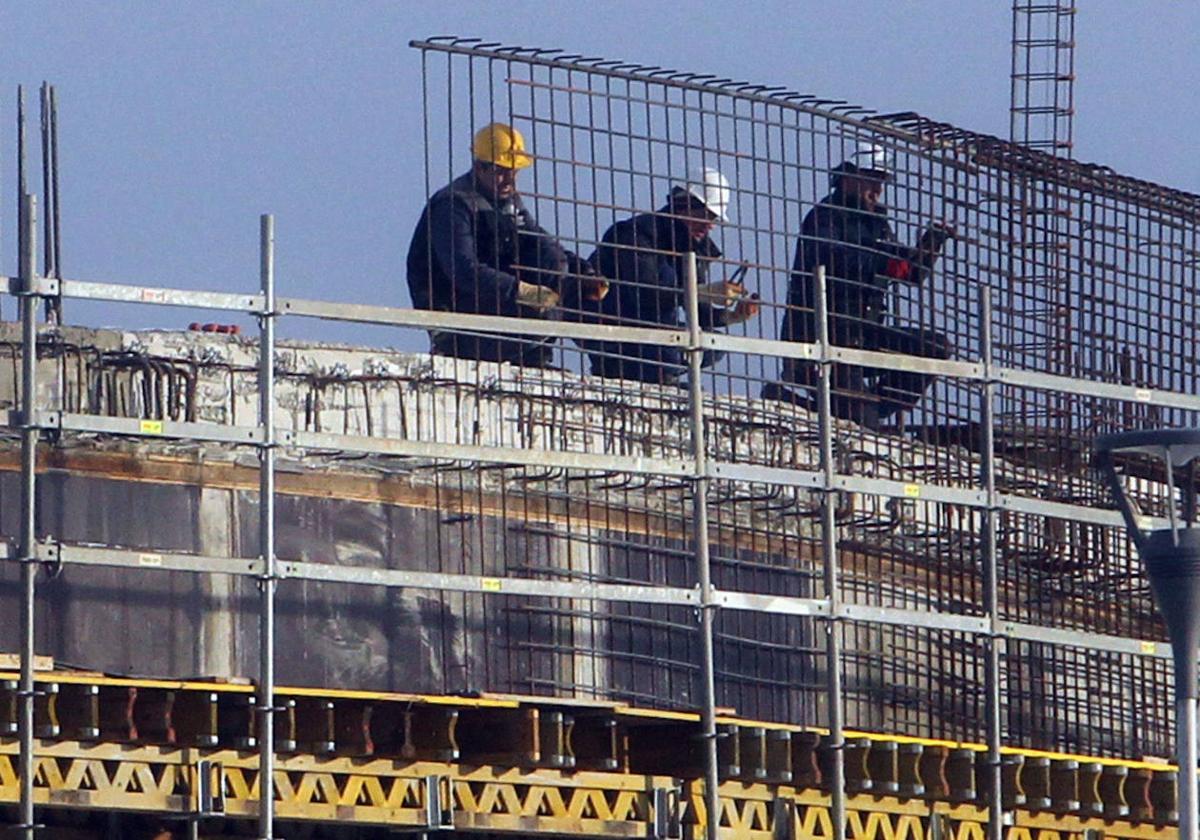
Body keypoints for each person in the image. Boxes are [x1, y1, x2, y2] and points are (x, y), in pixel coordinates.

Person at [763, 142, 954, 427]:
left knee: (935, 348)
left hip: (864, 331)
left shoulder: (876, 221)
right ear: (849, 177)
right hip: (822, 334)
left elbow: (910, 273)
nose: (877, 190)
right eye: (871, 180)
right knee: (861, 425)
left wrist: (930, 244)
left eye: (881, 182)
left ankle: (866, 408)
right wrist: (882, 255)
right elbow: (837, 259)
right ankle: (829, 406)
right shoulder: (824, 217)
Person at [406, 122, 603, 367]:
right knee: (541, 299)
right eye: (501, 170)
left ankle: (541, 357)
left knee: (557, 270)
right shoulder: (453, 205)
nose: (509, 179)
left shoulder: (507, 200)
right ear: (480, 168)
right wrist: (522, 291)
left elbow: (539, 240)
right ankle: (520, 352)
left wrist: (581, 271)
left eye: (514, 171)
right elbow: (464, 270)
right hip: (458, 315)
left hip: (495, 297)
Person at [579, 167, 760, 384]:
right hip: (613, 327)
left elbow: (700, 314)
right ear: (684, 206)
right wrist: (703, 292)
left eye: (714, 218)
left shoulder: (692, 249)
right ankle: (646, 371)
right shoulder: (636, 234)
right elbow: (644, 295)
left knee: (715, 345)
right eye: (706, 215)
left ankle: (660, 372)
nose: (710, 225)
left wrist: (732, 316)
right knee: (670, 335)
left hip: (654, 336)